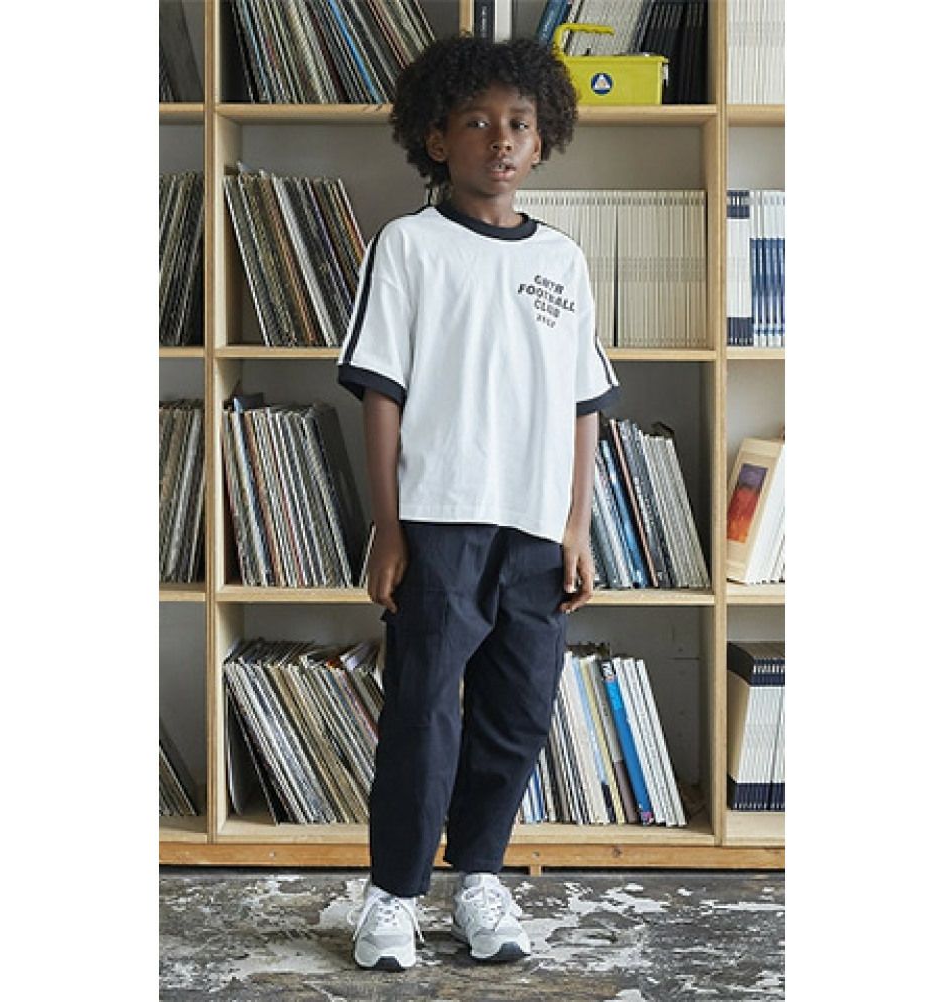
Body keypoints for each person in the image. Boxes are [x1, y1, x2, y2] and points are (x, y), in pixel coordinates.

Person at [337, 33, 620, 971]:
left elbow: (582, 405)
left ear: (542, 140)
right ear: (436, 138)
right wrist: (389, 527)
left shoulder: (565, 262)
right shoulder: (410, 246)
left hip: (536, 528)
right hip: (440, 519)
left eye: (520, 124)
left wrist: (576, 527)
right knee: (423, 709)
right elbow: (383, 393)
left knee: (518, 709)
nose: (501, 139)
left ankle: (481, 880)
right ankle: (393, 894)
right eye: (477, 121)